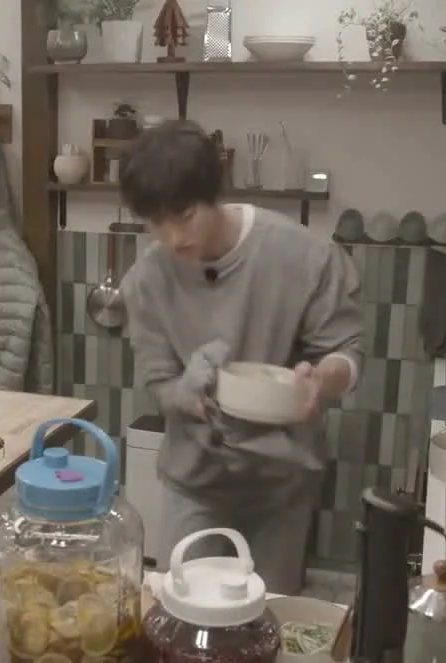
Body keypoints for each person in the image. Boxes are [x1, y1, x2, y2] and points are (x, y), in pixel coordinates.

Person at [119, 120, 364, 595]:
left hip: (282, 485)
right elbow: (159, 380)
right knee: (185, 611)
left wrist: (320, 380)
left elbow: (346, 352)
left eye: (184, 215)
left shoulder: (302, 256)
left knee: (268, 616)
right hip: (194, 483)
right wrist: (186, 395)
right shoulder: (147, 280)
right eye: (155, 222)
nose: (172, 237)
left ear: (214, 194)